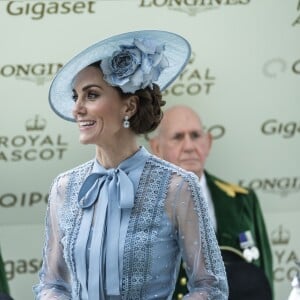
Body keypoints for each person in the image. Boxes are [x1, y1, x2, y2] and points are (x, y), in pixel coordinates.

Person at [33, 30, 228, 299]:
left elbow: (210, 286)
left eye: (91, 95)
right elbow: (51, 284)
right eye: (75, 96)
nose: (77, 109)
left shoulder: (177, 187)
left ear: (129, 106)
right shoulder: (64, 188)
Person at [149, 105, 274, 300]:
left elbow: (264, 274)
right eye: (178, 137)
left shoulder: (242, 201)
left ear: (208, 143)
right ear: (157, 148)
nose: (189, 146)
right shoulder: (141, 206)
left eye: (196, 135)